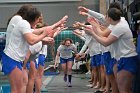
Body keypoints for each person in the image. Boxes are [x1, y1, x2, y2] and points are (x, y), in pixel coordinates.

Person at [1, 4, 68, 93]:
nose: (38, 22)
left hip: (14, 58)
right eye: (38, 19)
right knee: (17, 89)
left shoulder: (23, 23)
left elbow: (37, 31)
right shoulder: (21, 22)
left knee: (20, 86)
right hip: (12, 58)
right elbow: (31, 40)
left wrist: (57, 24)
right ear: (33, 18)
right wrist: (44, 35)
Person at [85, 8, 138, 93]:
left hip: (127, 58)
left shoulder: (119, 27)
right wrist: (95, 24)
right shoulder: (119, 22)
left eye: (106, 16)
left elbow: (106, 42)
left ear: (109, 18)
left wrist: (93, 33)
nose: (104, 18)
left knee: (123, 89)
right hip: (121, 58)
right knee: (122, 87)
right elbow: (102, 32)